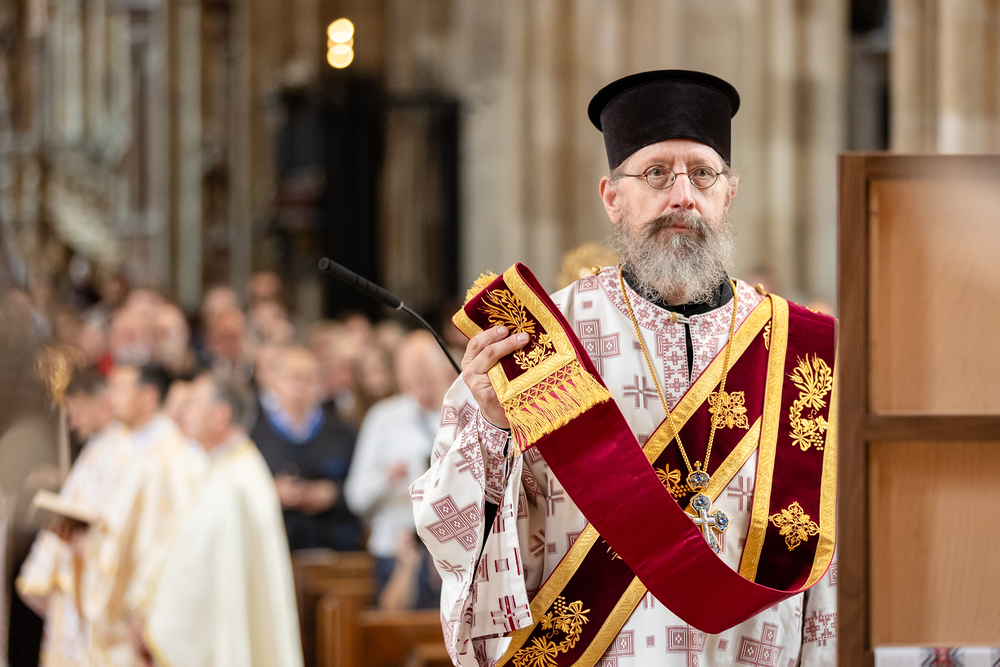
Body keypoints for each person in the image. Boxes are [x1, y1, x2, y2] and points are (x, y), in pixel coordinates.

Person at [412, 70, 838, 666]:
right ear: (612, 197)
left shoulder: (803, 348)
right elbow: (449, 522)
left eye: (703, 174)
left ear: (729, 194)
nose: (682, 195)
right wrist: (493, 429)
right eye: (657, 173)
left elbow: (833, 554)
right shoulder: (540, 338)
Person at [138, 372, 303, 667]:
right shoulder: (229, 467)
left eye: (193, 403)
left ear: (219, 417)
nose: (183, 413)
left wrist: (157, 626)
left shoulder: (233, 484)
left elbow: (197, 574)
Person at [82, 364, 207, 666]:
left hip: (152, 595)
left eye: (122, 389)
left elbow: (159, 537)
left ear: (149, 396)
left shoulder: (173, 459)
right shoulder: (112, 445)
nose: (112, 398)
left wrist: (89, 545)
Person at [16, 369, 130, 666]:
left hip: (92, 565)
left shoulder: (124, 450)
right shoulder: (98, 447)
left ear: (102, 403)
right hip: (74, 566)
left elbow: (114, 517)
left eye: (77, 412)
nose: (73, 423)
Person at [345, 331, 455, 608]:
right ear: (402, 376)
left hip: (452, 548)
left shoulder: (459, 414)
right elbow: (356, 496)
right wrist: (386, 478)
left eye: (428, 374)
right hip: (395, 547)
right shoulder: (383, 419)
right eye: (414, 377)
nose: (423, 386)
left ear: (443, 371)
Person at [250, 347, 360, 551]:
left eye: (307, 379)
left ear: (320, 384)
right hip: (276, 546)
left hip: (333, 546)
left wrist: (333, 494)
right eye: (290, 378)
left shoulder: (343, 433)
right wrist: (271, 492)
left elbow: (362, 486)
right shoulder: (255, 436)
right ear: (274, 383)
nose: (298, 386)